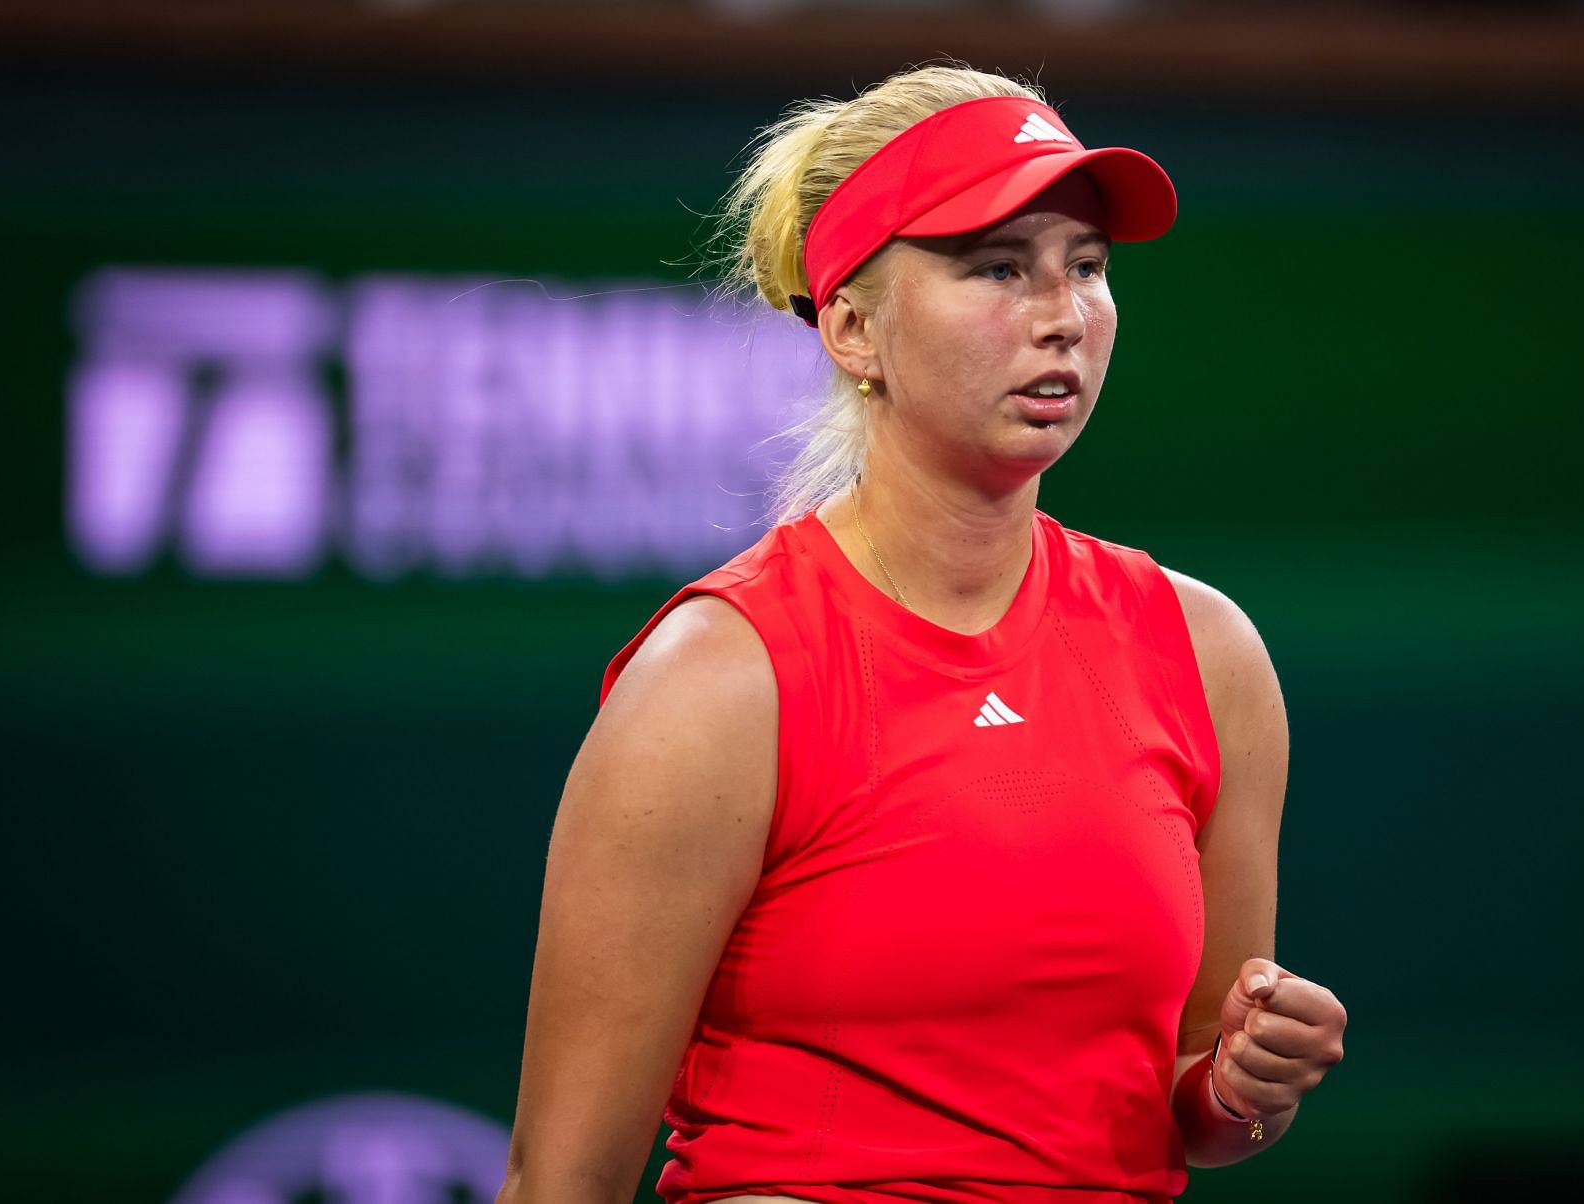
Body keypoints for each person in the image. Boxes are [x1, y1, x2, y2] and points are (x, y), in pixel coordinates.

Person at [496, 64, 1347, 1204]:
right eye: (998, 266)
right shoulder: (720, 678)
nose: (1063, 314)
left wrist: (1248, 1083)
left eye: (1086, 267)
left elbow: (1191, 1102)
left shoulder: (1207, 651)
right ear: (852, 326)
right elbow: (561, 1180)